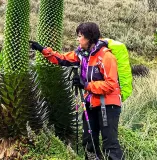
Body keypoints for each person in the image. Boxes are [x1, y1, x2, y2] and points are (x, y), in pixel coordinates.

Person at [30, 22, 124, 160]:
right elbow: (62, 59)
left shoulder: (106, 57)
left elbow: (111, 84)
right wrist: (42, 50)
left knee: (110, 144)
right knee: (89, 141)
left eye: (80, 36)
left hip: (108, 105)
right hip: (91, 104)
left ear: (89, 38)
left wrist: (86, 85)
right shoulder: (82, 54)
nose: (78, 39)